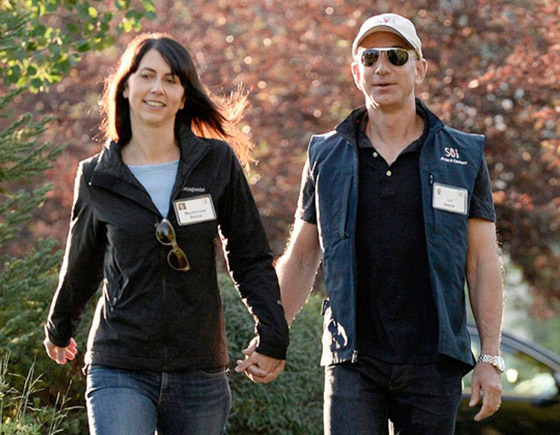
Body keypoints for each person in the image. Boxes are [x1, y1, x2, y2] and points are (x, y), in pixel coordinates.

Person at [43, 33, 289, 435]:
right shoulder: (97, 176)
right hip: (119, 365)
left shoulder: (216, 163)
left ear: (183, 96)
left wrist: (273, 334)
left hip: (200, 369)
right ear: (125, 87)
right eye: (147, 76)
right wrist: (59, 326)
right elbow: (82, 263)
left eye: (171, 80)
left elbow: (250, 257)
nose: (157, 88)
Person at [272, 13, 503, 435]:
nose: (382, 68)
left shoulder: (463, 156)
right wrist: (272, 334)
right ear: (355, 72)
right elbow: (302, 256)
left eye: (397, 57)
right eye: (370, 57)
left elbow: (482, 262)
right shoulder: (326, 154)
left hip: (434, 362)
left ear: (420, 69)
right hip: (353, 359)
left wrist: (489, 357)